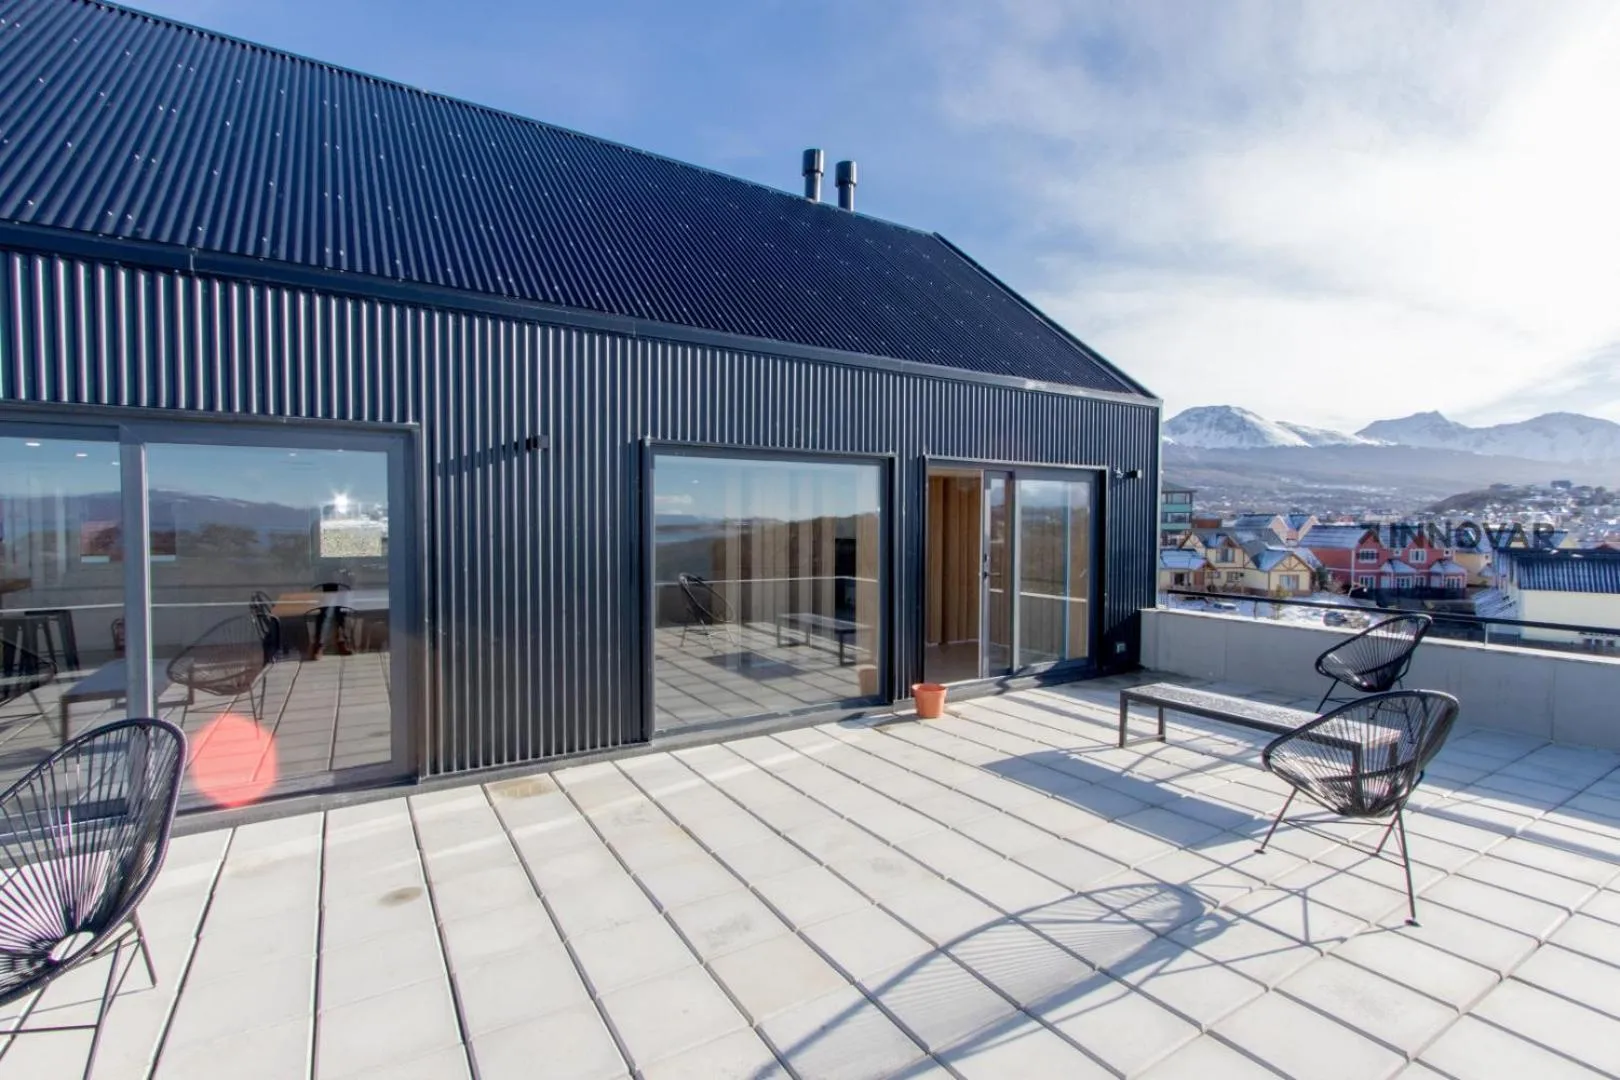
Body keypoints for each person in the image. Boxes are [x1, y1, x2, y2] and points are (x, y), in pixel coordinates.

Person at [308, 566, 355, 659]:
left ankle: (341, 641)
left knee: (340, 610)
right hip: (325, 573)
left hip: (340, 574)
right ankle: (319, 644)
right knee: (324, 610)